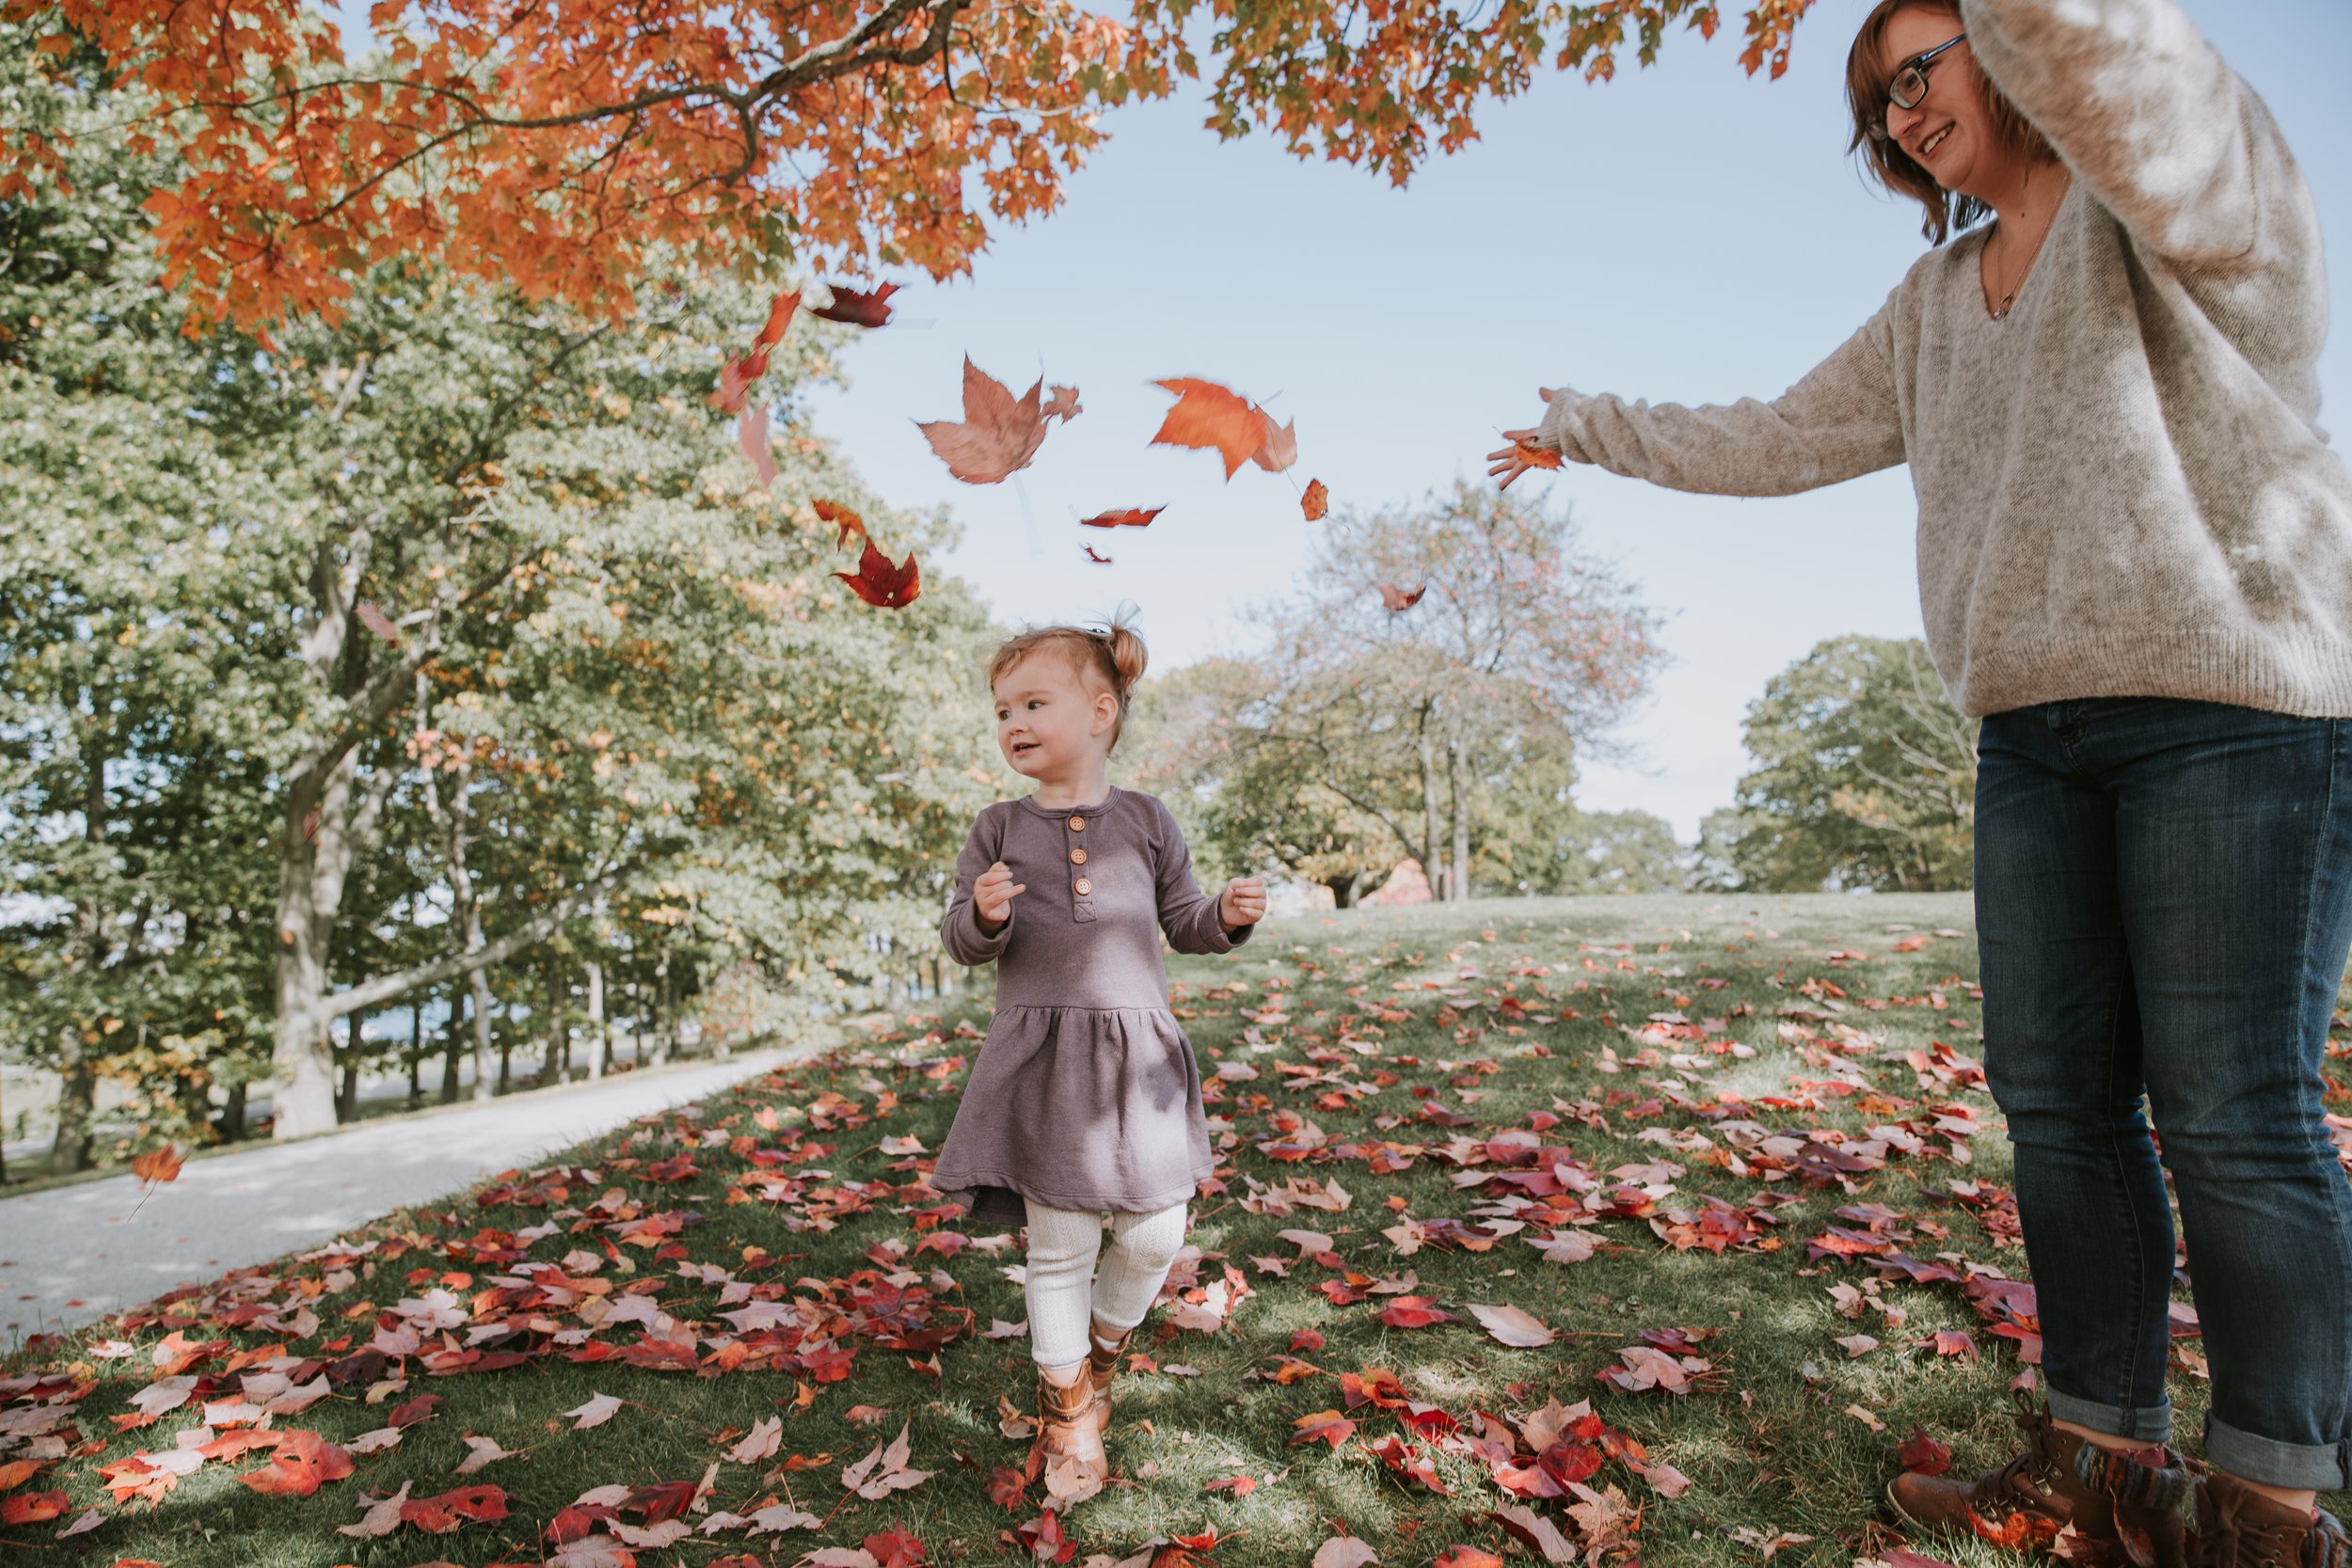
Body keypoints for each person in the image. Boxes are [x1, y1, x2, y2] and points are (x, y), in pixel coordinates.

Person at [1489, 0, 2352, 1561]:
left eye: (1921, 67)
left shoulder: (2182, 203)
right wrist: (1583, 428)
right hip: (2036, 736)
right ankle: (2104, 1472)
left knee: (2233, 1114)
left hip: (2235, 712)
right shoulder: (1936, 299)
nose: (1898, 109)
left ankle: (2273, 1505)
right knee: (2060, 1110)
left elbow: (2124, 66)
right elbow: (1775, 434)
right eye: (1877, 96)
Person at [931, 617, 1267, 1504]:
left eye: (1034, 702)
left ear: (1102, 710)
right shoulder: (998, 826)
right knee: (1062, 1244)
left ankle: (1102, 1355)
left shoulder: (1148, 820)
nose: (1013, 722)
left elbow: (1186, 922)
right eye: (1002, 709)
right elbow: (960, 938)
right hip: (1044, 1060)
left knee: (1158, 1229)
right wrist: (988, 915)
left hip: (1140, 1061)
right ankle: (1067, 1401)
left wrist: (1228, 912)